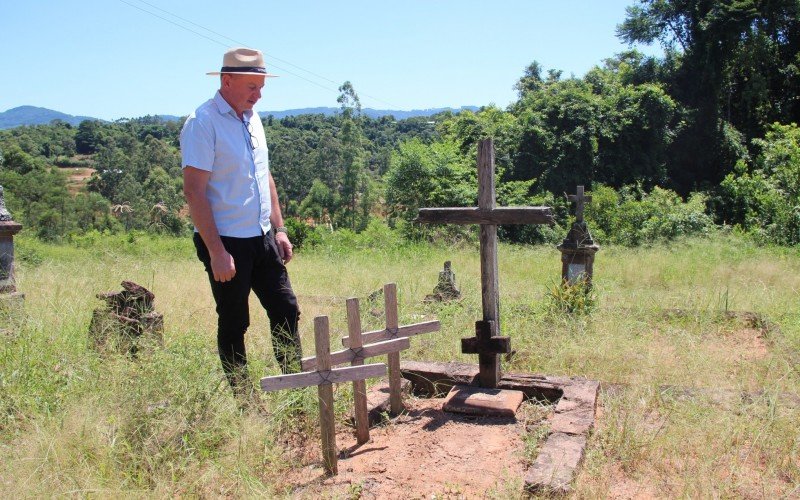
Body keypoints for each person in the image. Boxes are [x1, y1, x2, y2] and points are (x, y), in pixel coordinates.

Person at [180, 47, 302, 395]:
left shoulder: (252, 118)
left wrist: (279, 229)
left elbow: (264, 176)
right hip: (226, 240)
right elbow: (194, 192)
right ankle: (245, 400)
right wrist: (216, 251)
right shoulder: (202, 123)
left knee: (286, 309)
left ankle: (295, 390)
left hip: (262, 237)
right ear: (227, 81)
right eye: (252, 86)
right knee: (235, 322)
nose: (258, 94)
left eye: (261, 86)